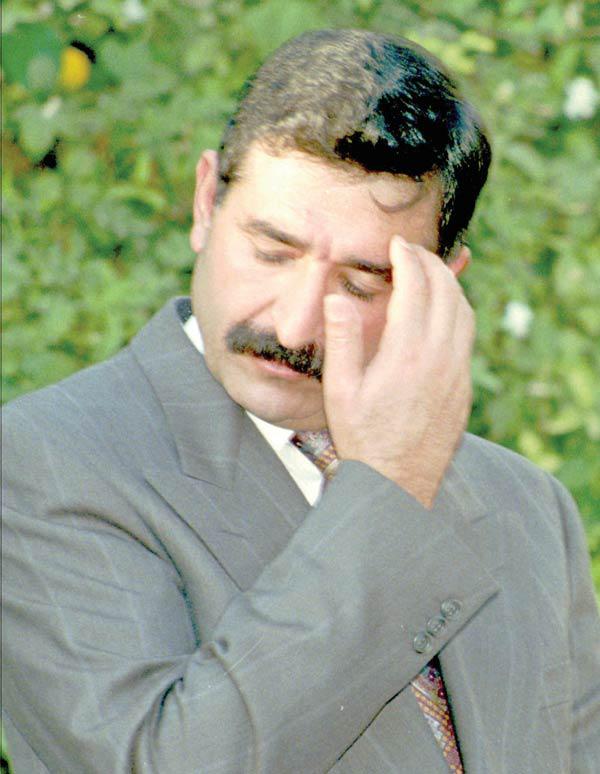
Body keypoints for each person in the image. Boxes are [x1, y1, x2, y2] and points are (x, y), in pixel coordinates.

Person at [2, 28, 599, 774]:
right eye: (272, 251)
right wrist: (386, 493)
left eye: (360, 282)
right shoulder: (43, 462)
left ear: (441, 285)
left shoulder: (529, 508)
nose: (293, 325)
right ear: (205, 202)